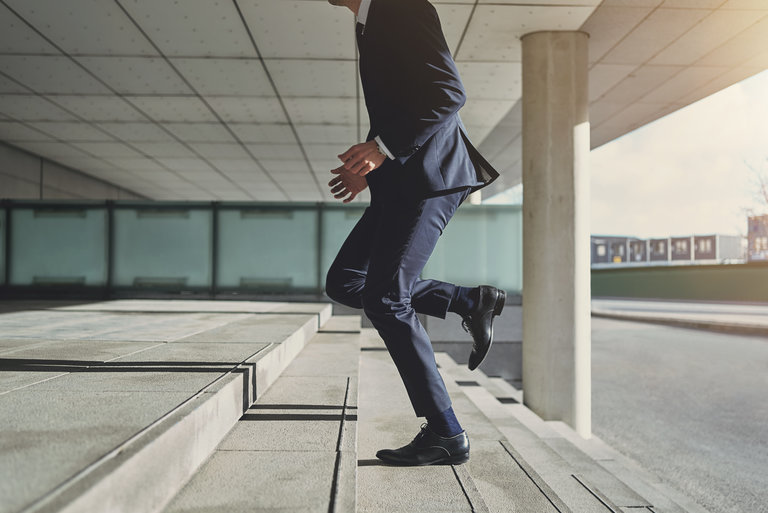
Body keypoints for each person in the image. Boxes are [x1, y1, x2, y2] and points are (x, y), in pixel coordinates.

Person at [325, 0, 505, 466]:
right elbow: (402, 101)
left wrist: (383, 149)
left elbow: (448, 93)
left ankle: (446, 432)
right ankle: (469, 301)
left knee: (386, 298)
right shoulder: (369, 24)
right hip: (401, 181)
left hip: (430, 180)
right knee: (346, 282)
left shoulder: (404, 7)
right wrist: (374, 164)